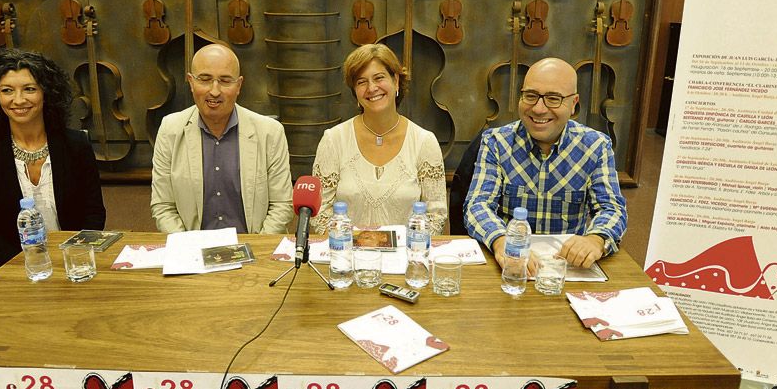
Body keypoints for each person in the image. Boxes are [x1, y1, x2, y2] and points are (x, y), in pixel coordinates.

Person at [465, 57, 626, 270]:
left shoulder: (595, 146)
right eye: (531, 96)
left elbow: (612, 208)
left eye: (553, 98)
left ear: (573, 104)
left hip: (565, 268)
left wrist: (595, 239)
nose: (539, 109)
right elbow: (477, 205)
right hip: (509, 266)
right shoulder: (497, 142)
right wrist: (501, 241)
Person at [0, 49, 106, 272]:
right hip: (14, 265)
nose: (18, 100)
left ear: (46, 93)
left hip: (75, 261)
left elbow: (94, 213)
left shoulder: (76, 145)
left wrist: (73, 256)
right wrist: (28, 264)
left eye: (29, 89)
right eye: (7, 91)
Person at [150, 44, 293, 233]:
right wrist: (188, 250)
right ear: (191, 82)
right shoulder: (170, 130)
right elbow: (163, 206)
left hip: (254, 250)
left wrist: (257, 249)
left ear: (239, 85)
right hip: (193, 252)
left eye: (225, 81)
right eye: (205, 79)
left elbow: (281, 205)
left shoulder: (269, 133)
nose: (215, 91)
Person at [311, 44, 447, 233]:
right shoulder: (334, 140)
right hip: (347, 256)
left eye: (379, 78)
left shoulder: (424, 142)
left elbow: (436, 217)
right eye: (361, 82)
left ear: (396, 81)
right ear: (355, 92)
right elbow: (319, 214)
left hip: (406, 257)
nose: (372, 88)